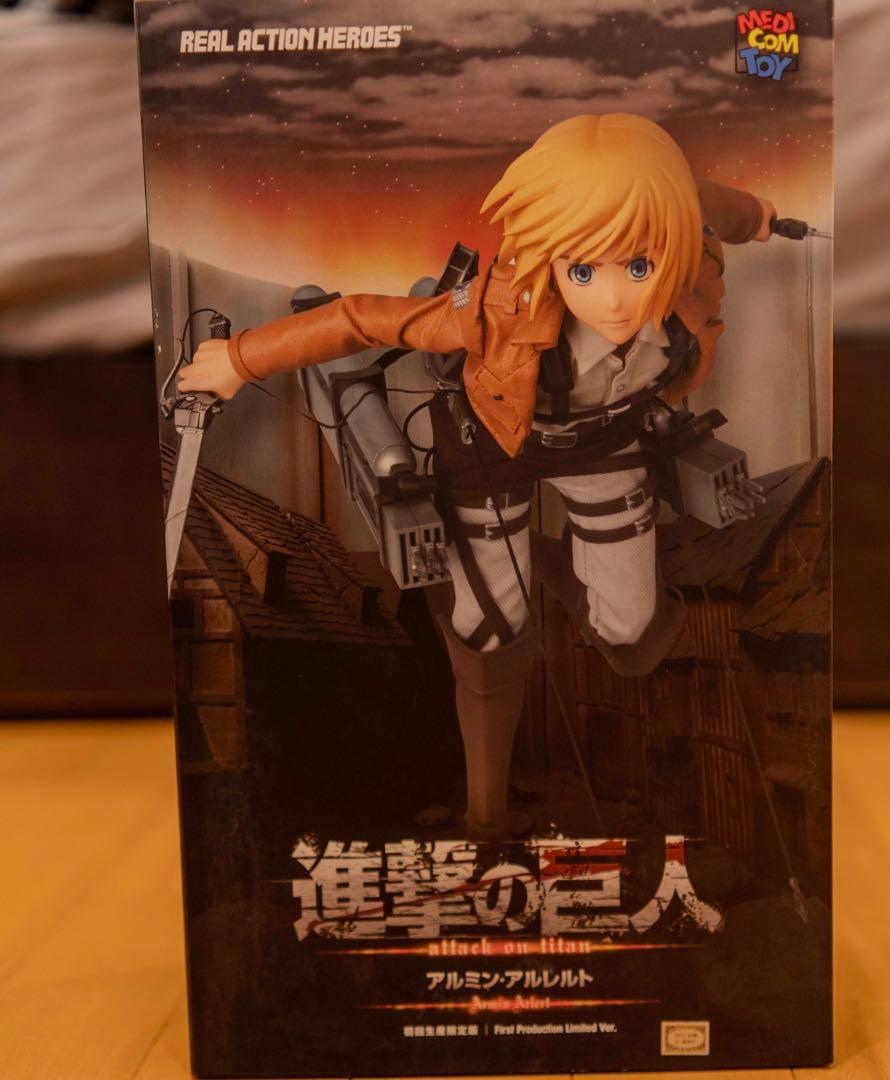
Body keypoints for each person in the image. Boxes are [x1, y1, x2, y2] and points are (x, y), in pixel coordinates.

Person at [178, 113, 775, 839]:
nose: (615, 300)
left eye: (639, 268)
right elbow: (361, 320)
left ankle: (548, 560)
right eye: (583, 272)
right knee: (491, 629)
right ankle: (485, 814)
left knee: (630, 633)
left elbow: (704, 202)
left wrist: (757, 216)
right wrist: (240, 359)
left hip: (603, 443)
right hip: (492, 443)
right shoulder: (494, 311)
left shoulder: (688, 253)